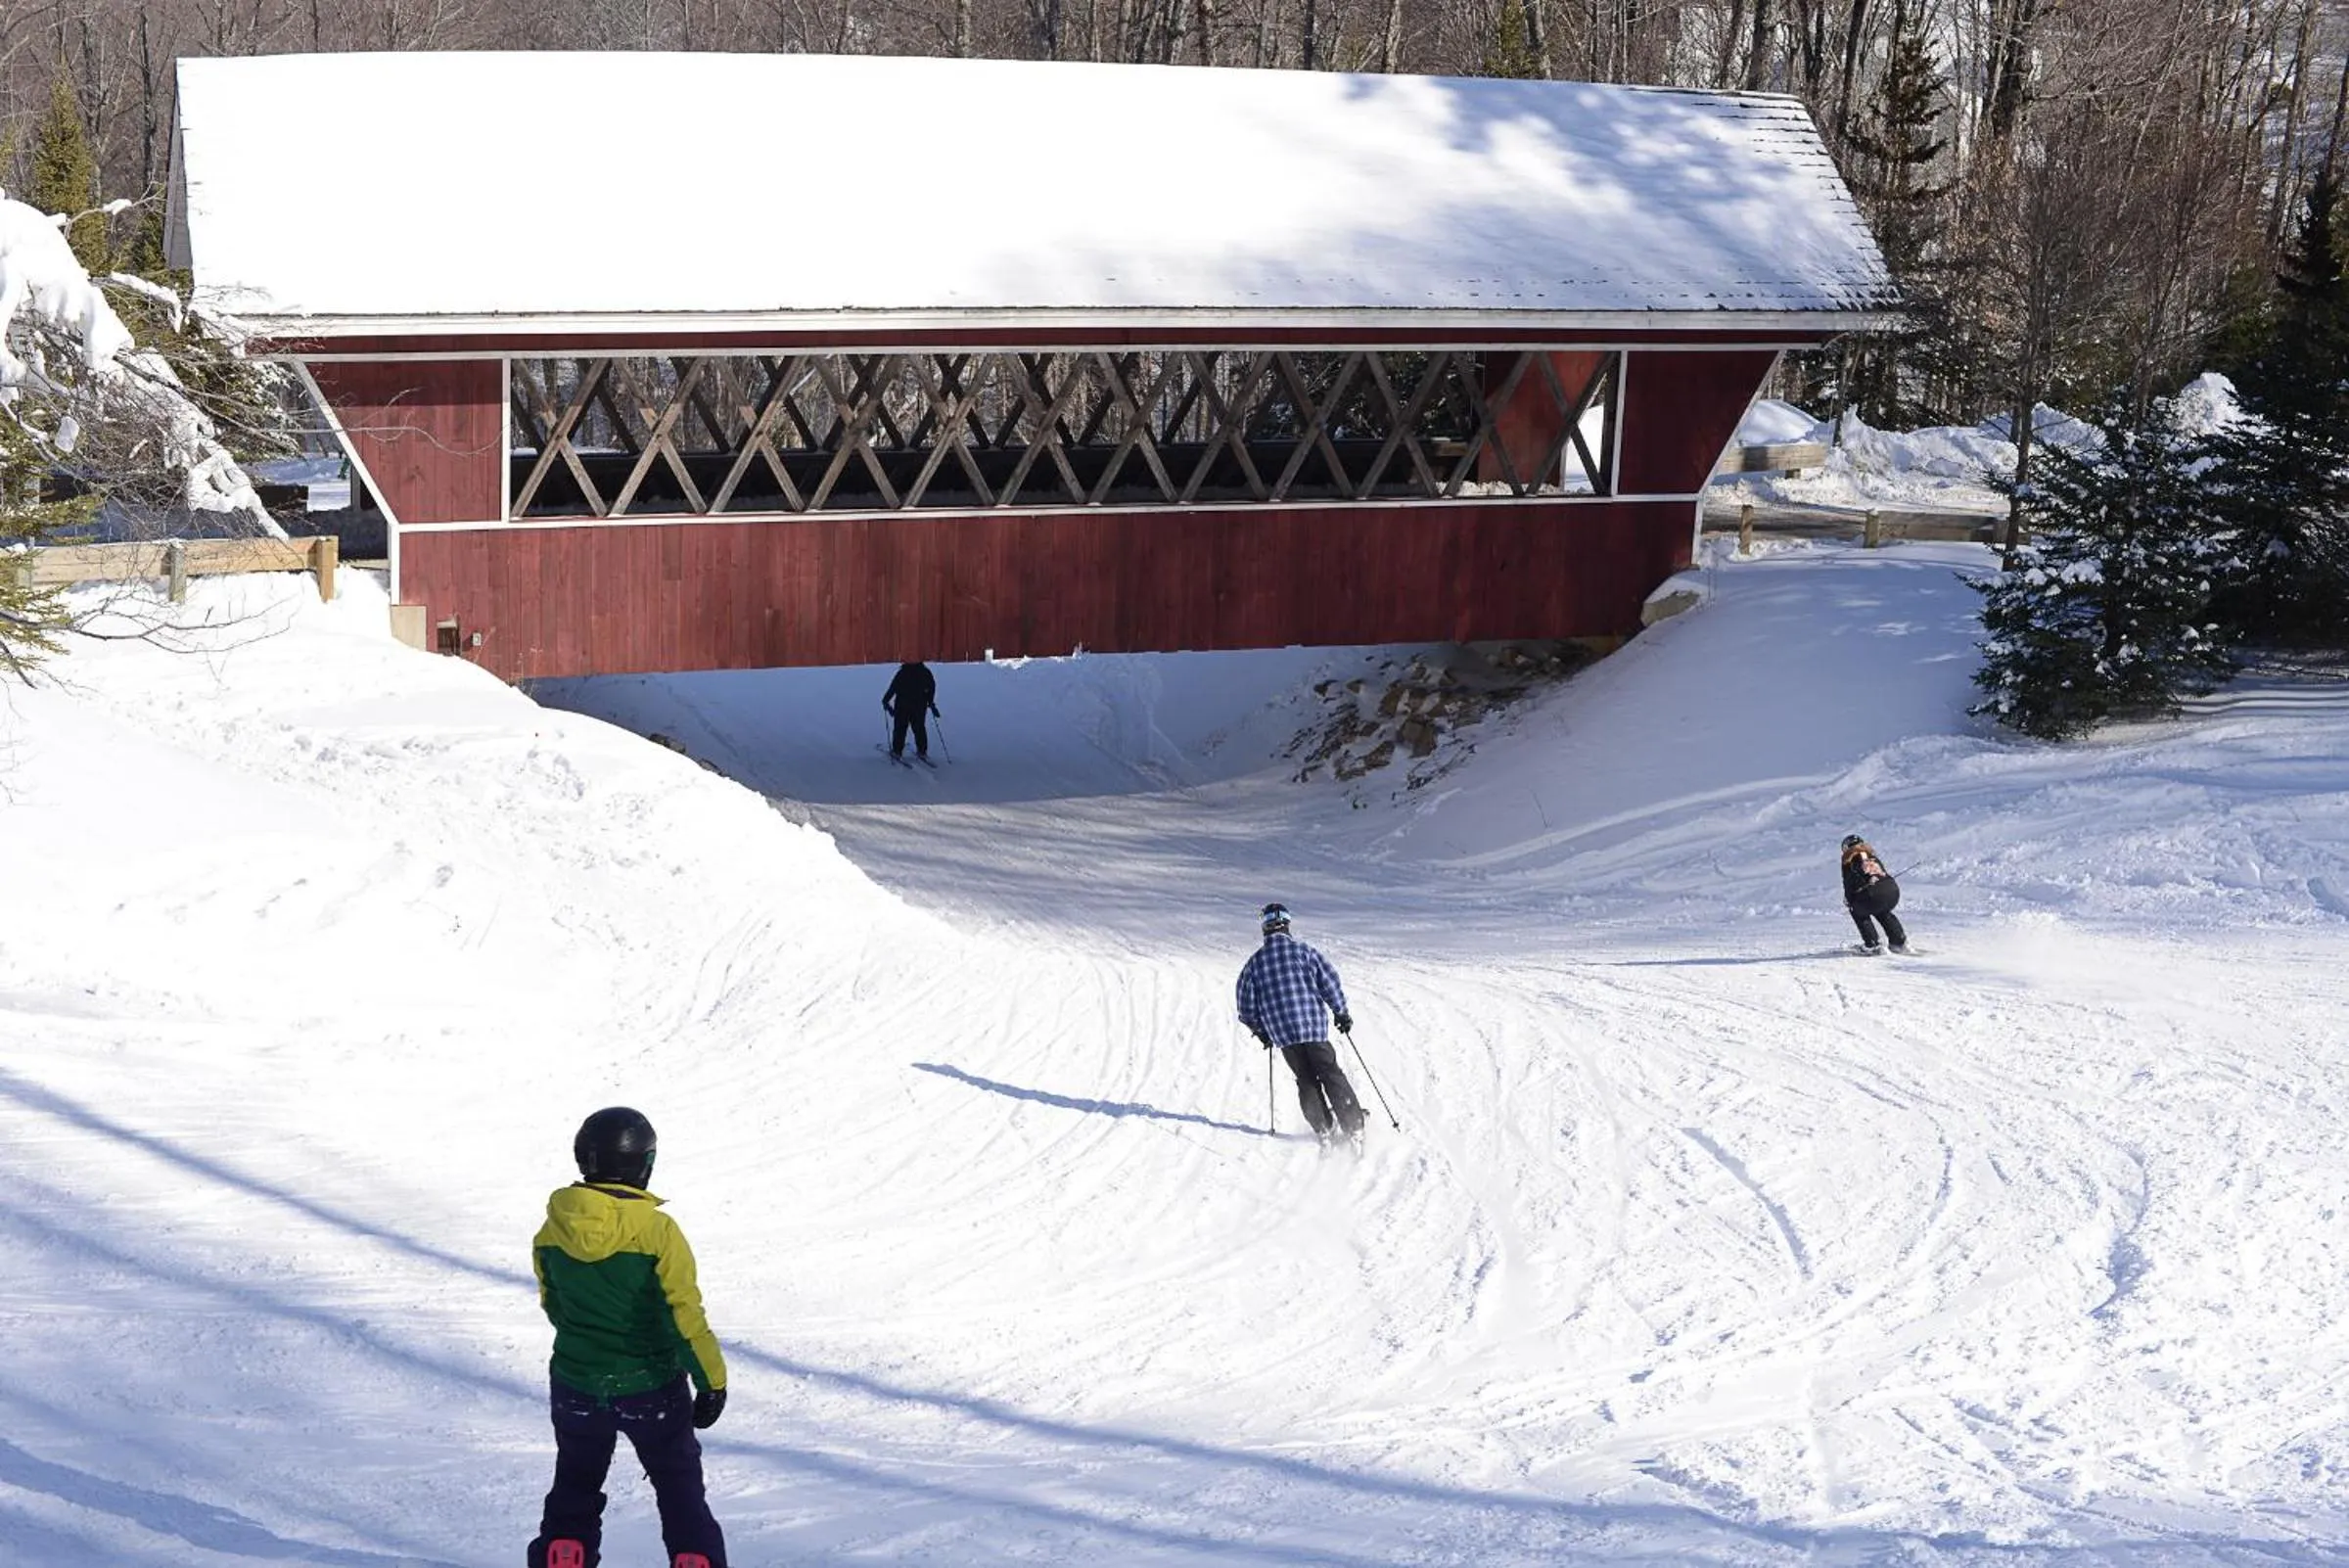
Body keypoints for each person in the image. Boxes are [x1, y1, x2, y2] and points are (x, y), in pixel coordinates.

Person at [528, 1108, 729, 1568]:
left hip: (577, 1382)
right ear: (645, 1164)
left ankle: (564, 1556)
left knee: (575, 1484)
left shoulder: (552, 1227)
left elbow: (553, 1304)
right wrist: (712, 1380)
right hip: (650, 1384)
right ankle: (694, 1559)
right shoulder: (657, 1231)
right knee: (678, 1486)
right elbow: (686, 1315)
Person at [1236, 902, 1367, 1149]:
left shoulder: (1254, 964)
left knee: (1305, 1078)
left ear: (1264, 927)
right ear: (1287, 925)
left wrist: (1261, 1031)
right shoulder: (1305, 952)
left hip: (1283, 1034)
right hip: (1313, 1027)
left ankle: (1323, 1129)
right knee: (1330, 1072)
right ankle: (1354, 1127)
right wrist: (1341, 1012)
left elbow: (1245, 1006)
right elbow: (1329, 981)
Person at [1841, 835, 1909, 954]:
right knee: (1882, 910)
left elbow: (1849, 883)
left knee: (1858, 911)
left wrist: (1849, 901)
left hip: (1873, 895)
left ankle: (1872, 945)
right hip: (1891, 892)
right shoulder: (1872, 856)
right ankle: (1899, 941)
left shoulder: (1849, 859)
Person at [882, 661, 940, 761]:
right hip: (919, 706)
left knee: (900, 728)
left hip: (902, 706)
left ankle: (897, 751)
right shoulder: (925, 672)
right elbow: (932, 687)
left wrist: (886, 700)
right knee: (919, 728)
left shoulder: (902, 673)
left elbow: (893, 688)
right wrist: (930, 702)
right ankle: (922, 751)